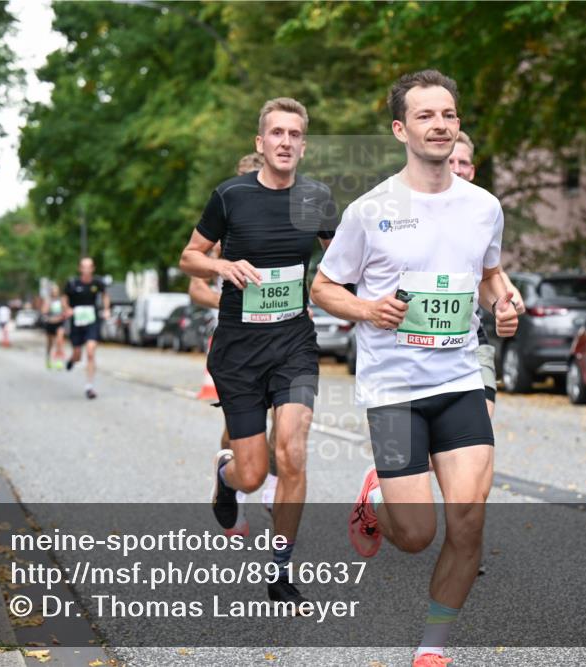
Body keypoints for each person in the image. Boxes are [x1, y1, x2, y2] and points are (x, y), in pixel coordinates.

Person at [311, 69, 519, 667]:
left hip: (458, 380)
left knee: (469, 520)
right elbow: (323, 288)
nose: (440, 125)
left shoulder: (484, 207)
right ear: (401, 128)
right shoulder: (370, 210)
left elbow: (486, 275)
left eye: (448, 115)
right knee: (416, 535)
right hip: (395, 389)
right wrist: (367, 308)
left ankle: (432, 647)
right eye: (426, 116)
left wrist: (503, 304)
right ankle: (377, 503)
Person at [179, 98, 335, 605]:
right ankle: (226, 480)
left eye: (295, 134)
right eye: (276, 133)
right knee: (252, 473)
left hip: (293, 344)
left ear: (303, 145)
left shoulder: (317, 198)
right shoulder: (230, 196)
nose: (285, 142)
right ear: (260, 143)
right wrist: (221, 268)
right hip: (240, 351)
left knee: (291, 450)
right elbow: (189, 256)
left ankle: (282, 567)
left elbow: (348, 259)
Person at [188, 152, 279, 539]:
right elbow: (196, 287)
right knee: (240, 422)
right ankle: (233, 484)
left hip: (279, 332)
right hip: (235, 335)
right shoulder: (221, 226)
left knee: (283, 411)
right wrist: (227, 294)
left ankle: (272, 489)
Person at [448, 131, 525, 416]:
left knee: (483, 418)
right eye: (450, 160)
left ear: (472, 170)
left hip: (469, 333)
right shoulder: (409, 207)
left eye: (463, 162)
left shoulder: (485, 211)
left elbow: (489, 270)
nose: (457, 168)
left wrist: (505, 299)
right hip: (417, 342)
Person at [63, 257, 110, 399]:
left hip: (92, 320)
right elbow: (64, 299)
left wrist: (106, 309)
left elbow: (105, 296)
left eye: (89, 266)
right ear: (80, 269)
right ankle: (72, 359)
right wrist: (68, 309)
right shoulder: (72, 283)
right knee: (78, 355)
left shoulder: (98, 283)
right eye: (84, 266)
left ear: (93, 268)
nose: (87, 269)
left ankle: (89, 387)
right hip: (77, 321)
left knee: (90, 352)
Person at [42, 284, 67, 370]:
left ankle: (59, 360)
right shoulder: (48, 300)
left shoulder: (62, 299)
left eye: (56, 290)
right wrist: (48, 308)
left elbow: (66, 310)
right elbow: (44, 312)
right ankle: (48, 358)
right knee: (50, 343)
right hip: (50, 323)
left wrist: (63, 314)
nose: (55, 292)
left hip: (59, 323)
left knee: (59, 342)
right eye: (53, 290)